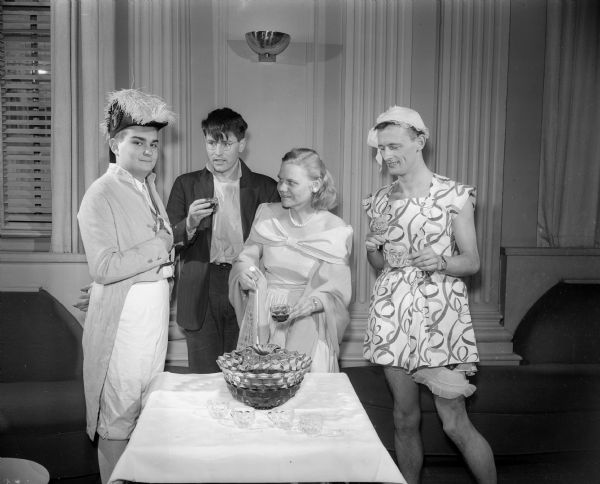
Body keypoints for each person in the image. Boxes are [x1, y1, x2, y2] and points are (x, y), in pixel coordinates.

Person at [362, 106, 497, 484]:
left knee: (455, 423)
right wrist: (373, 248)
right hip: (392, 314)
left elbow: (471, 262)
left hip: (440, 317)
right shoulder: (378, 200)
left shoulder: (454, 195)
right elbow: (379, 262)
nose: (387, 155)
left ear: (420, 141)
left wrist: (440, 260)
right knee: (404, 419)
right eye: (382, 147)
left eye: (395, 145)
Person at [77, 89, 176, 483]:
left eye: (154, 144)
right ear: (114, 144)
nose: (149, 151)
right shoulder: (99, 194)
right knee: (117, 418)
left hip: (152, 319)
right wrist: (161, 246)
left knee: (145, 410)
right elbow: (103, 267)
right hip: (124, 324)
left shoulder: (146, 186)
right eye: (138, 142)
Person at [166, 108, 280, 373]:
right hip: (201, 287)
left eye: (226, 143)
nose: (217, 152)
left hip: (246, 284)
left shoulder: (265, 187)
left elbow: (276, 247)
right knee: (203, 377)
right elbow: (168, 241)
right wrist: (190, 223)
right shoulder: (186, 184)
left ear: (242, 144)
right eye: (211, 142)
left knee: (243, 374)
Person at [229, 148, 353, 372]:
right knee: (263, 388)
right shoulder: (267, 213)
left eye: (291, 183)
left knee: (304, 391)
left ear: (315, 185)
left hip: (307, 318)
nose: (281, 188)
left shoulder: (334, 229)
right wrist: (245, 272)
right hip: (264, 314)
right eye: (280, 180)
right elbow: (247, 255)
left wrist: (314, 303)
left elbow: (336, 288)